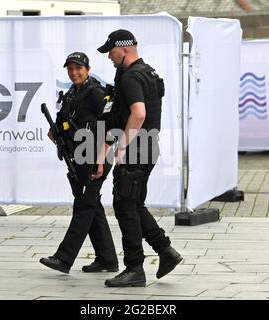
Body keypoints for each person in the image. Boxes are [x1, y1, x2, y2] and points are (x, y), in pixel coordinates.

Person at [97, 30, 183, 287]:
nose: (109, 58)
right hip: (147, 148)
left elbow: (138, 114)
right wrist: (103, 153)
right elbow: (119, 116)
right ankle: (166, 252)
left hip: (136, 150)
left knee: (124, 205)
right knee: (133, 204)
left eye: (110, 52)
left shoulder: (132, 77)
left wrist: (122, 146)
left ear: (124, 49)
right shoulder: (148, 72)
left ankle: (134, 269)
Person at [39, 52, 118, 274]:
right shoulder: (73, 93)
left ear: (88, 69)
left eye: (78, 68)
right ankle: (107, 259)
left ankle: (63, 259)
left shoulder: (95, 93)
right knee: (91, 207)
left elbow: (110, 126)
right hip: (81, 157)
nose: (74, 72)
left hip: (97, 157)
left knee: (84, 206)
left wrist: (101, 161)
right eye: (70, 69)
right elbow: (65, 122)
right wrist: (55, 132)